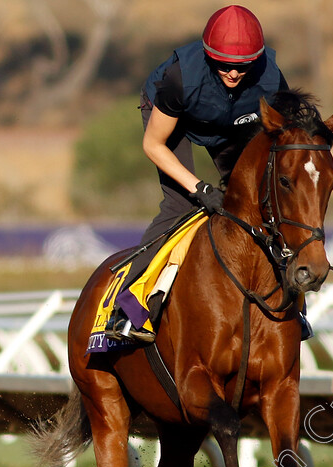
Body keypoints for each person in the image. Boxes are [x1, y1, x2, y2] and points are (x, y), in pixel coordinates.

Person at [105, 5, 290, 343]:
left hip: (232, 123)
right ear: (208, 56)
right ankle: (128, 309)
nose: (233, 74)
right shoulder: (180, 77)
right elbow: (153, 144)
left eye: (242, 67)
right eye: (225, 65)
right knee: (182, 206)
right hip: (174, 118)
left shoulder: (271, 78)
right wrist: (200, 188)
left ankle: (290, 307)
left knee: (261, 204)